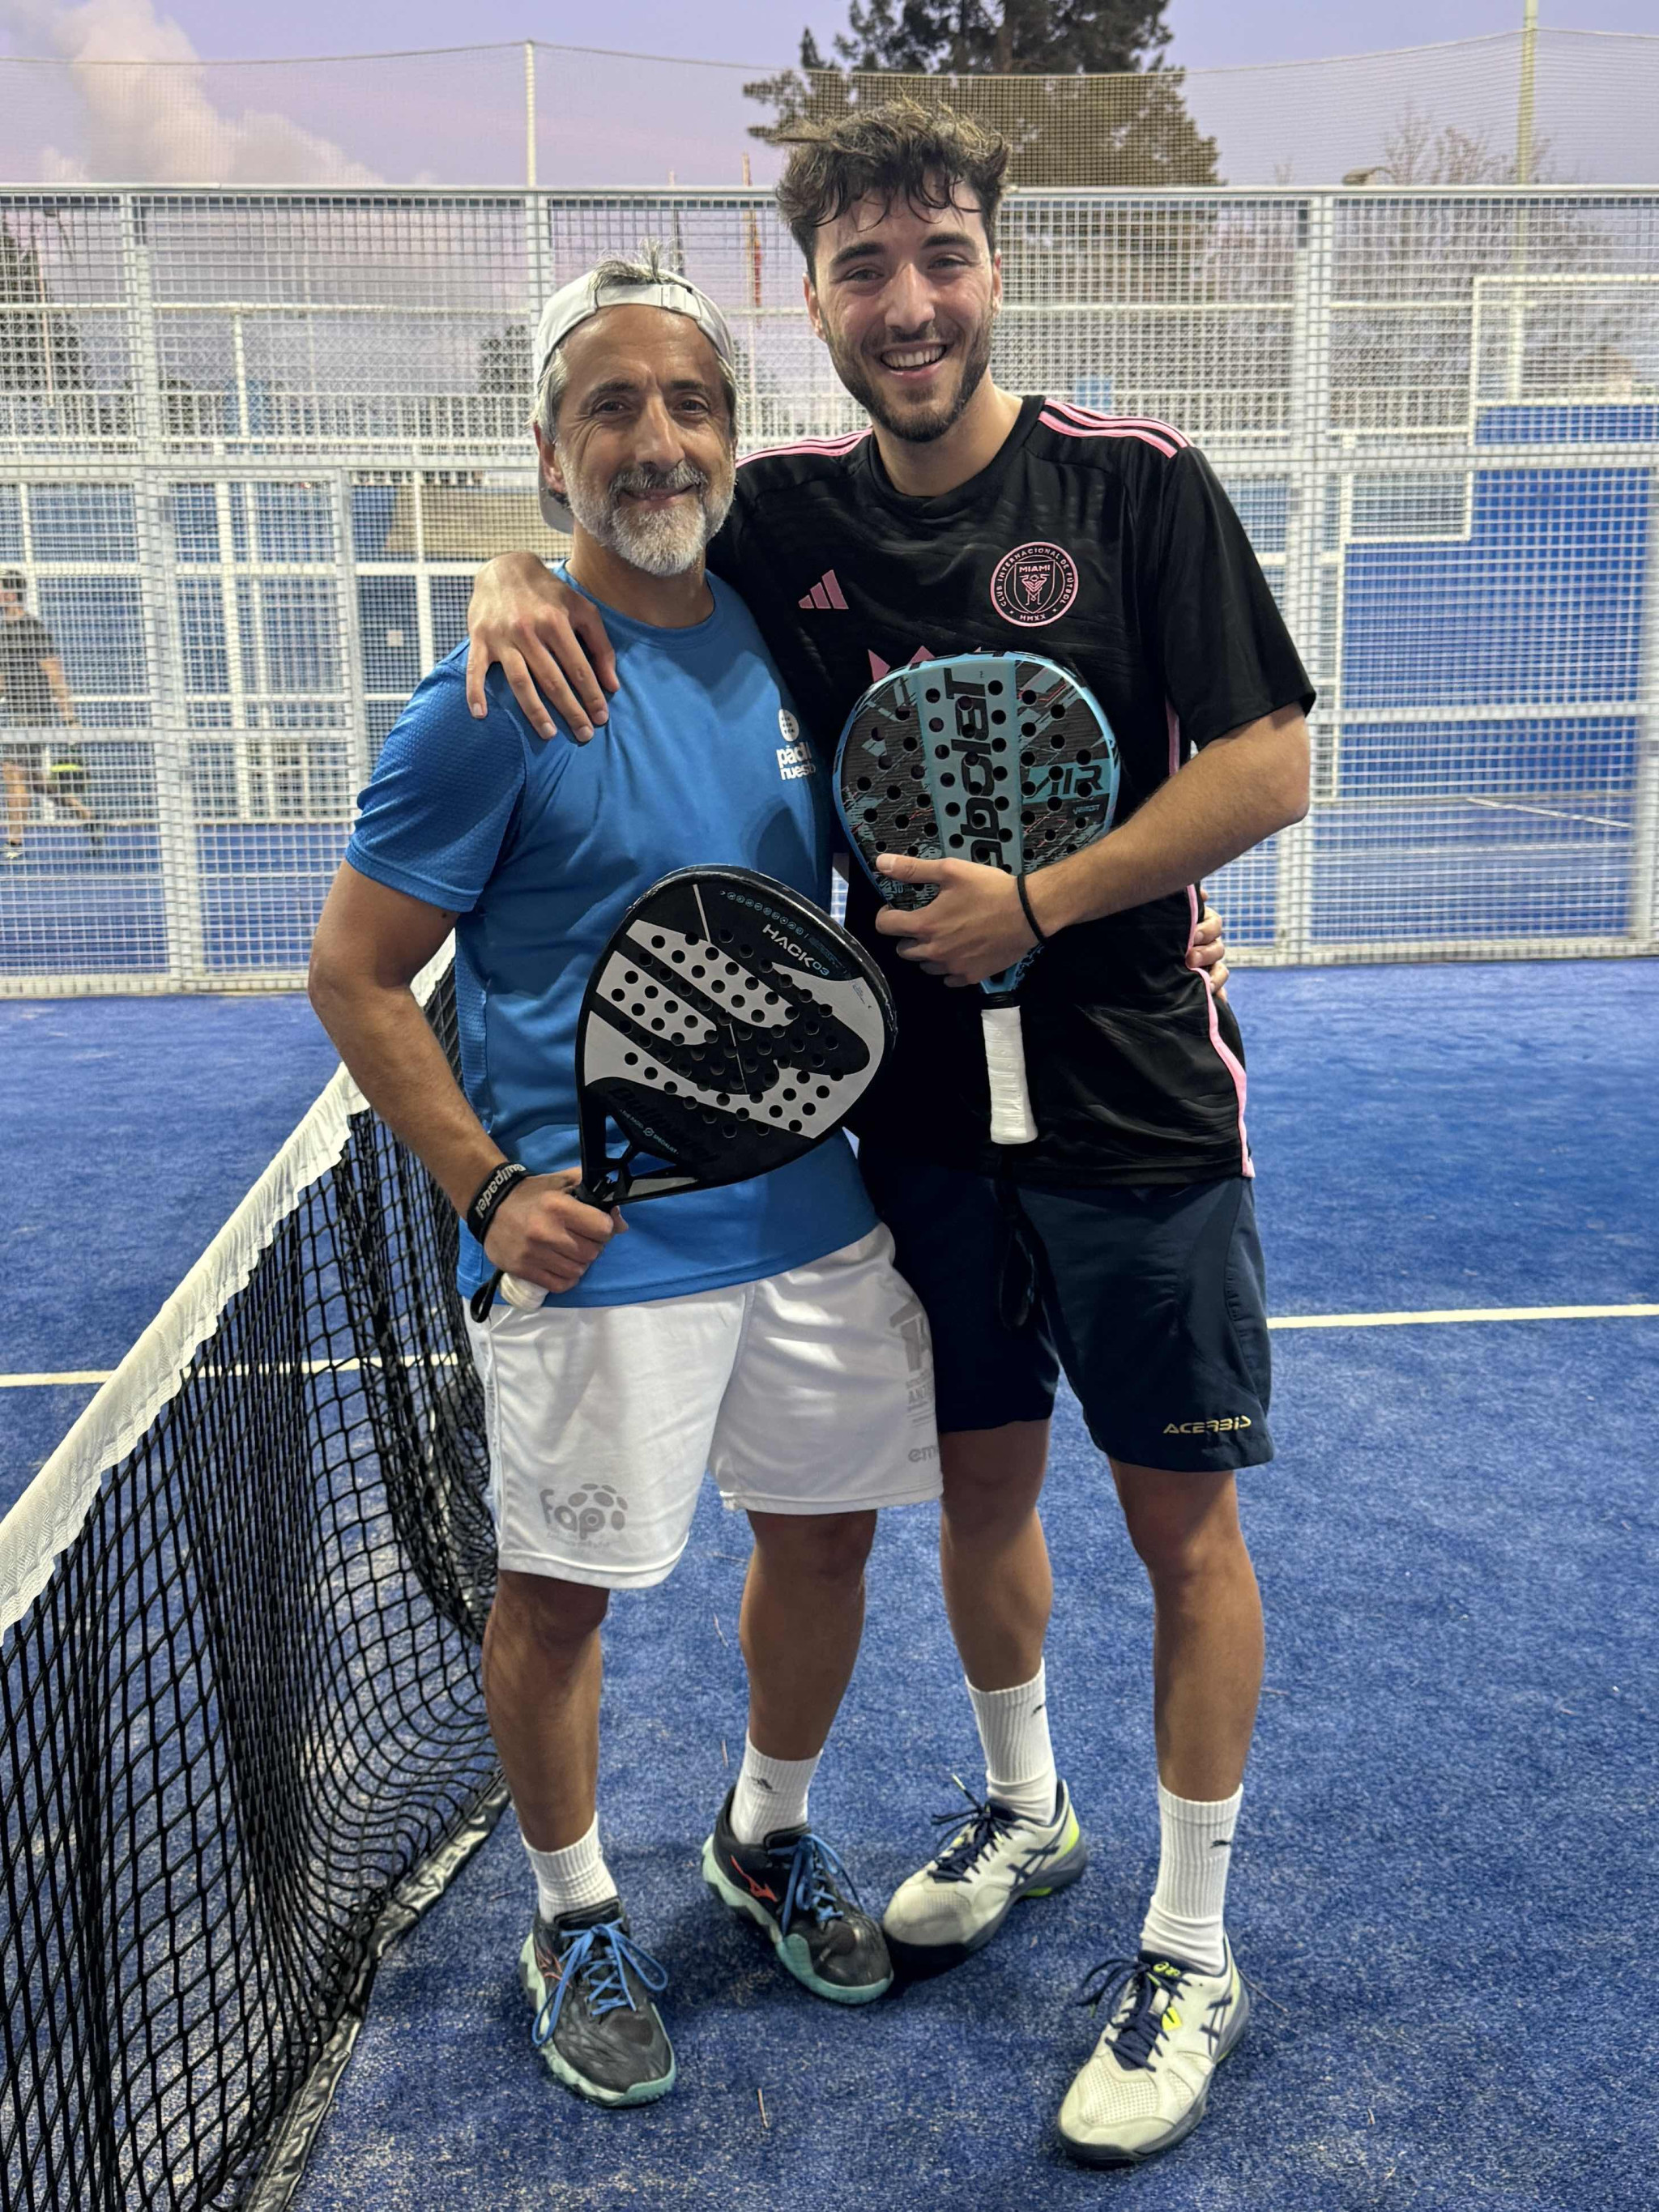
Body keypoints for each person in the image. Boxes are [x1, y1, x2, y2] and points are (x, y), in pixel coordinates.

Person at [463, 100, 1314, 2167]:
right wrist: (502, 566)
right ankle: (1026, 1807)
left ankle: (1189, 1948)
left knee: (1182, 1530)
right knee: (978, 1489)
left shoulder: (1137, 486)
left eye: (940, 257)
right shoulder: (783, 515)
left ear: (992, 265)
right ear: (814, 298)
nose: (908, 304)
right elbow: (621, 528)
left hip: (1133, 1108)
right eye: (864, 270)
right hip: (913, 1121)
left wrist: (1043, 903)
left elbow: (1270, 763)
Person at [308, 254, 944, 2112]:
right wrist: (485, 1189)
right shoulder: (490, 693)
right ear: (549, 449)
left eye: (689, 404)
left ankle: (763, 1834)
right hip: (590, 1244)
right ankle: (573, 1912)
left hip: (809, 1209)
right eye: (611, 408)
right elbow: (355, 973)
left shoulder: (789, 638)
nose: (656, 440)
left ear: (734, 437)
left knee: (825, 1538)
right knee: (561, 1591)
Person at [1, 569, 98, 861]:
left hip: (35, 712)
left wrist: (70, 719)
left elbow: (55, 673)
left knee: (12, 772)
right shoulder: (2, 629)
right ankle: (87, 815)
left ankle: (14, 844)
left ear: (11, 594)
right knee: (31, 777)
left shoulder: (33, 628)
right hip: (15, 711)